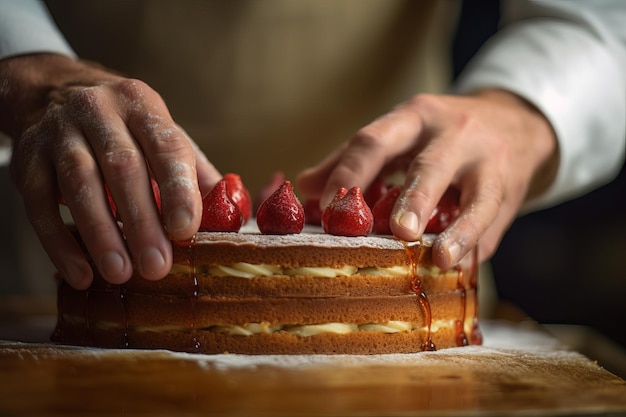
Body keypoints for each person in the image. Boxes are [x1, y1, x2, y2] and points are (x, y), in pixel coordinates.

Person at [0, 0, 624, 292]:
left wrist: (521, 110)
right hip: (71, 243)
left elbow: (598, 20)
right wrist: (23, 65)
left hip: (408, 254)